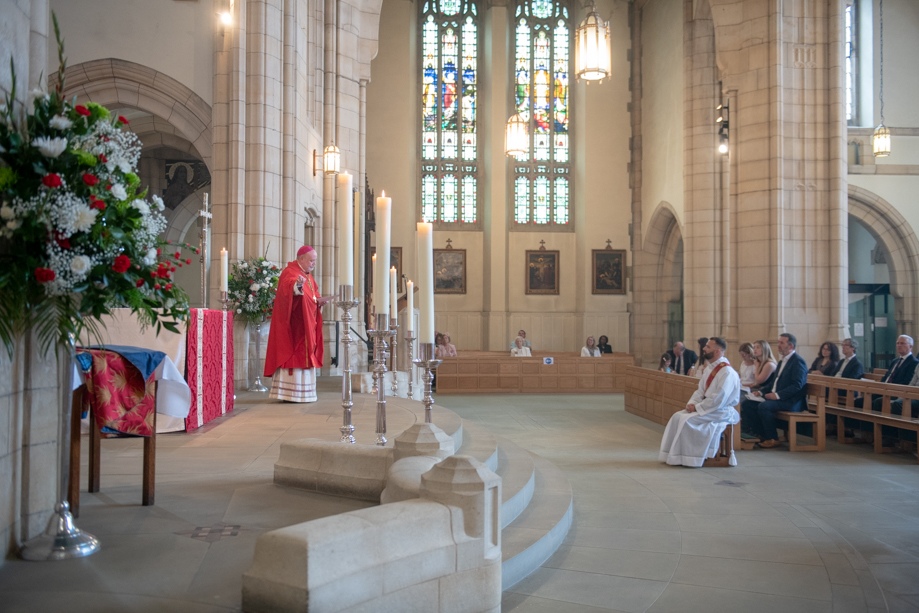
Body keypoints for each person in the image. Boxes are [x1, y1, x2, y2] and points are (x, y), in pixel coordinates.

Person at [264, 245, 333, 402]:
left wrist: (319, 302)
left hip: (306, 325)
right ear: (301, 259)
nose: (314, 264)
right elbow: (289, 288)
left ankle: (304, 393)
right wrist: (298, 286)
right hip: (294, 327)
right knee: (294, 356)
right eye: (311, 260)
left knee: (306, 355)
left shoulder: (308, 276)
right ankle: (289, 394)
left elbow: (313, 296)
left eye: (315, 260)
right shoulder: (291, 272)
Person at [659, 337, 741, 467]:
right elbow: (700, 391)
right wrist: (692, 403)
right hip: (707, 408)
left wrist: (697, 407)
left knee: (687, 421)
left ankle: (691, 458)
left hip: (720, 411)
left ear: (717, 351)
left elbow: (719, 398)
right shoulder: (709, 369)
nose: (704, 349)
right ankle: (675, 456)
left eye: (708, 347)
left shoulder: (727, 372)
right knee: (676, 417)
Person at [740, 332, 808, 448]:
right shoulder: (782, 361)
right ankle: (760, 434)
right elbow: (774, 382)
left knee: (764, 406)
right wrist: (761, 392)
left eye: (782, 343)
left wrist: (777, 395)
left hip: (791, 401)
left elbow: (797, 385)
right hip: (779, 398)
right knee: (747, 404)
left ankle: (772, 438)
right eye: (778, 342)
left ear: (790, 346)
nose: (778, 345)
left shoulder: (797, 361)